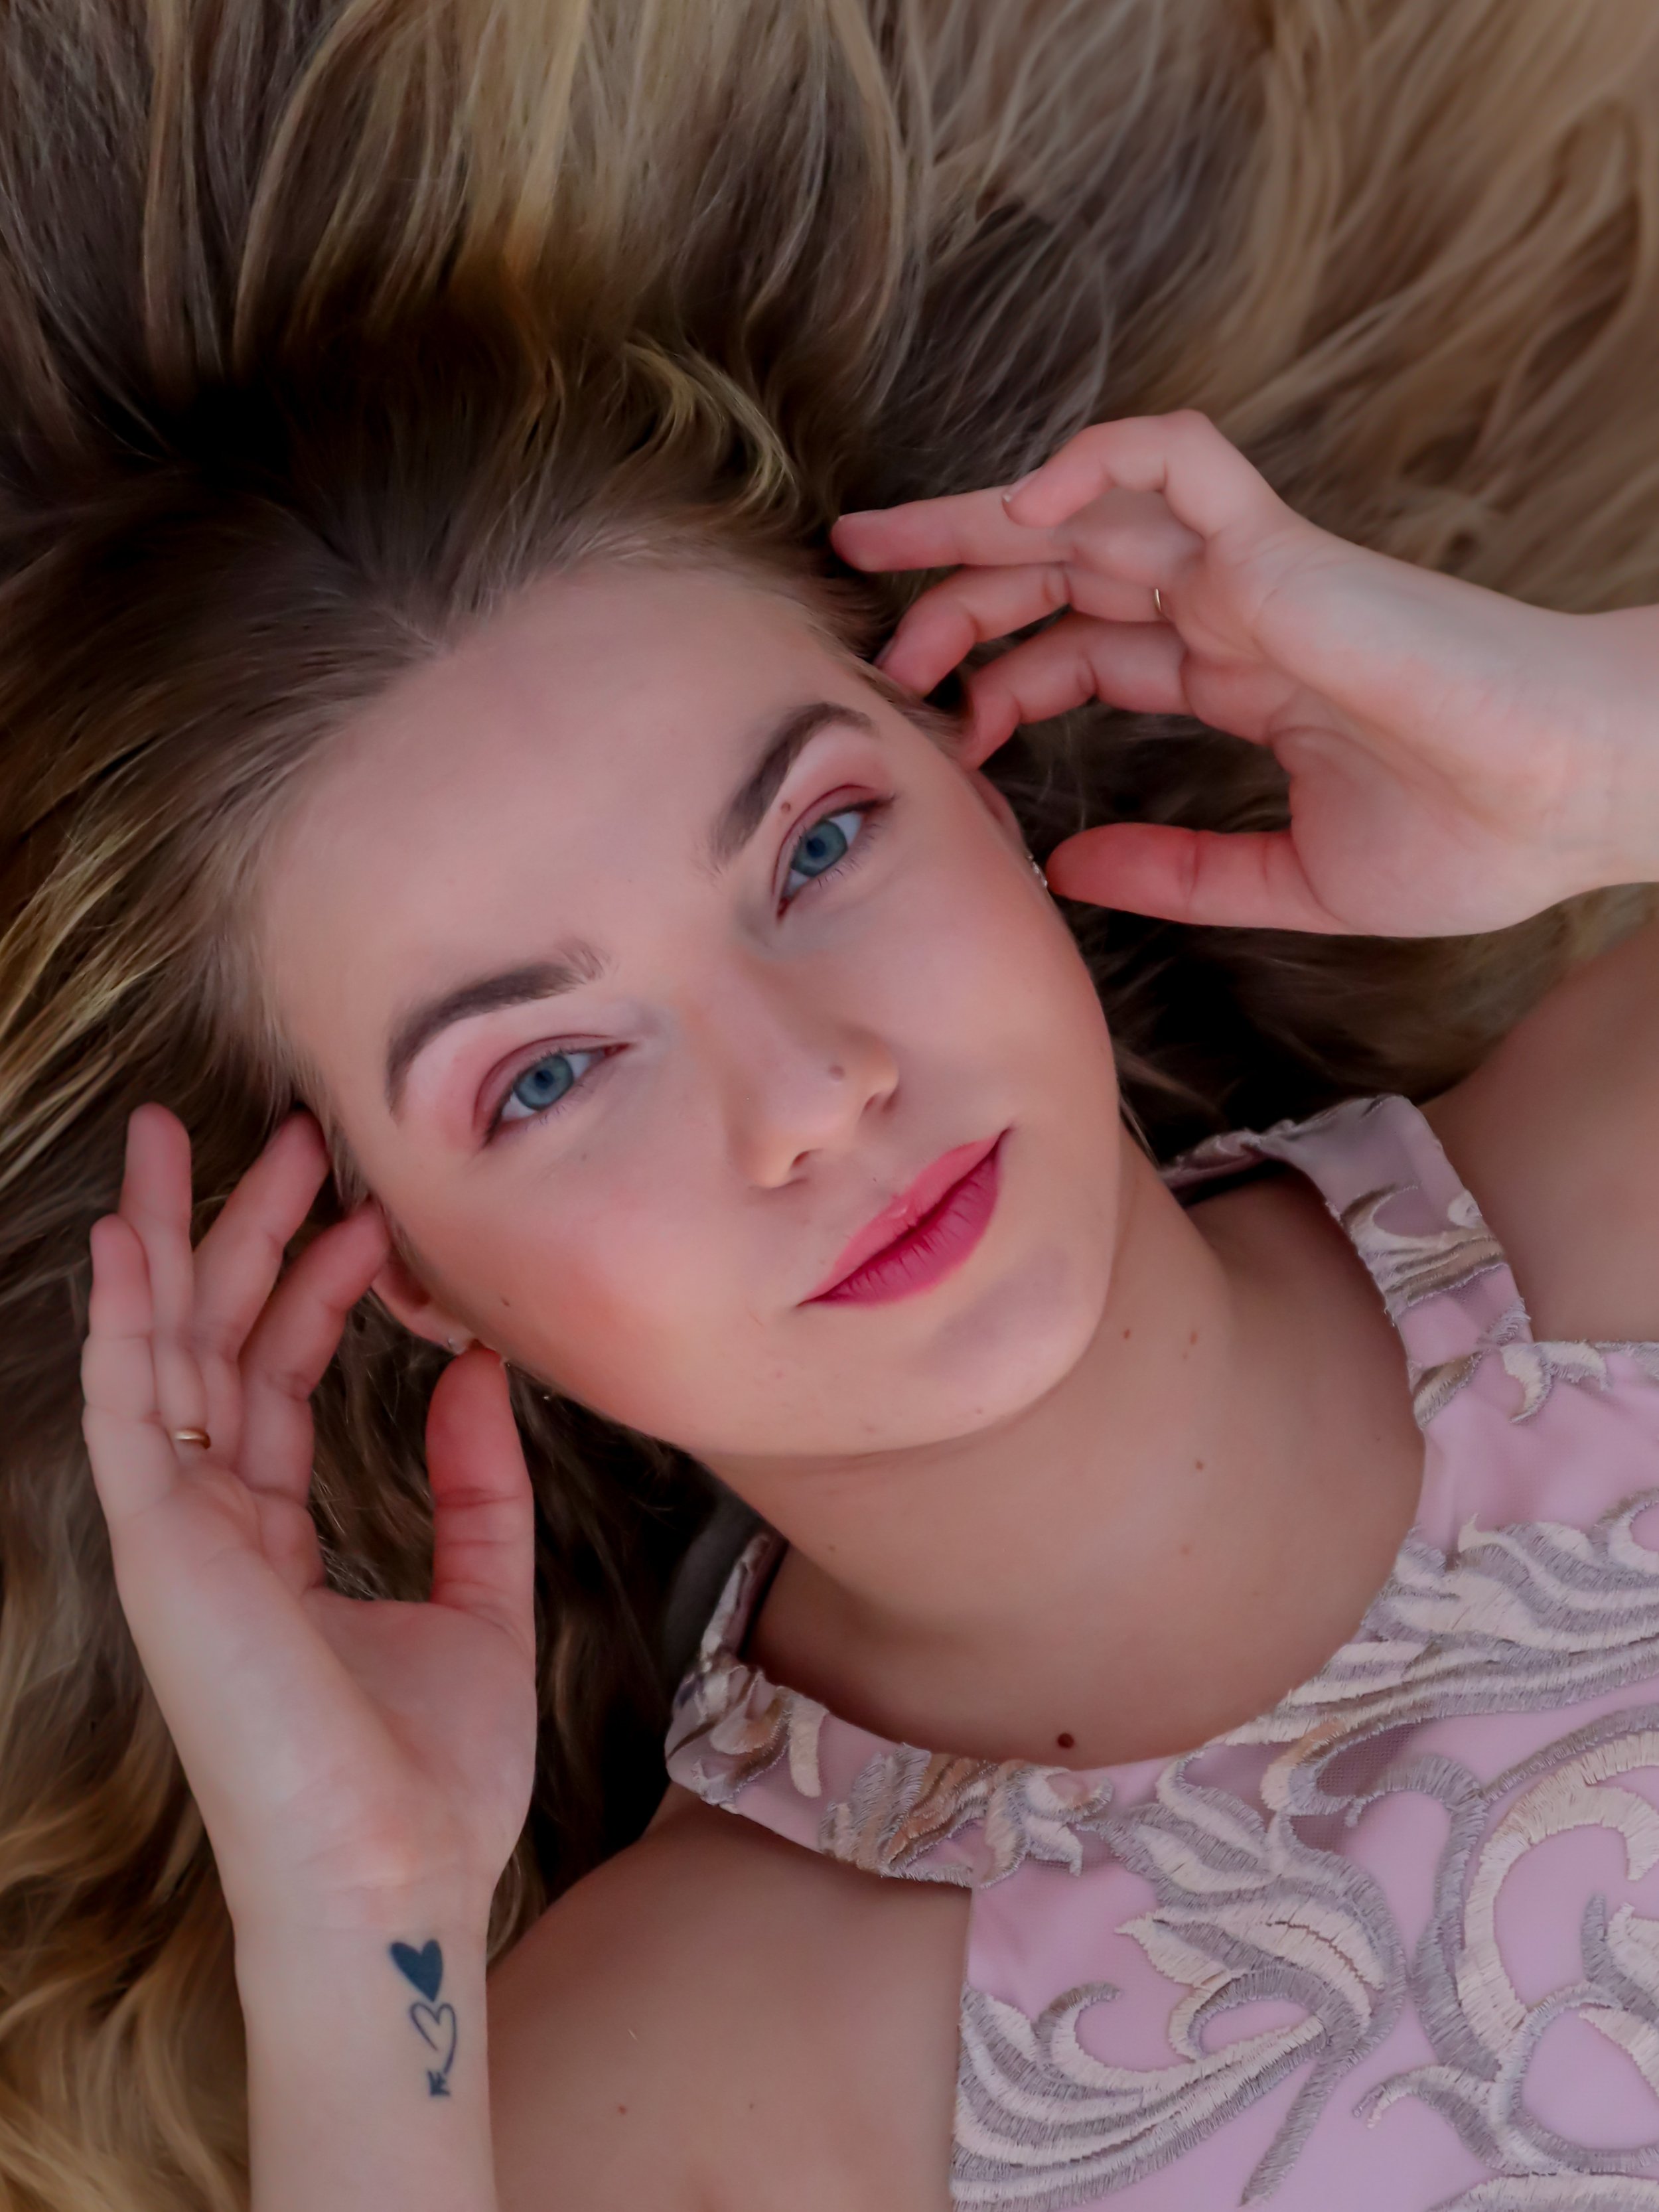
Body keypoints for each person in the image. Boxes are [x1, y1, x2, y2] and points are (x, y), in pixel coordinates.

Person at [10, 3, 1659, 2210]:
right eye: (551, 1070)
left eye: (812, 847)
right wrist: (353, 1922)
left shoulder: (1621, 1180)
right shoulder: (689, 2083)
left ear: (980, 778)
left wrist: (1592, 750)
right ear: (402, 1273)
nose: (808, 1093)